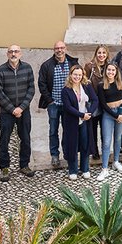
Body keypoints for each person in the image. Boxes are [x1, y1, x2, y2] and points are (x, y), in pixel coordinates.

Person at [0, 45, 35, 182]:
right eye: (11, 51)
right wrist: (12, 109)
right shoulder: (0, 71)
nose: (13, 54)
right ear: (7, 54)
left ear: (20, 54)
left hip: (24, 111)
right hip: (7, 112)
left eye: (16, 51)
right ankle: (4, 167)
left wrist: (21, 108)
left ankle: (24, 165)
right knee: (4, 139)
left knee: (25, 138)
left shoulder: (27, 68)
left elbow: (31, 90)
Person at [37, 40, 79, 168]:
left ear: (65, 49)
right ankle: (54, 155)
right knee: (53, 130)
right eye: (57, 48)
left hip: (69, 105)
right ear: (54, 50)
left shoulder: (73, 63)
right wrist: (49, 100)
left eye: (61, 48)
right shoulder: (47, 65)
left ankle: (67, 154)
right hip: (54, 103)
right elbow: (42, 84)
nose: (59, 50)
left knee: (68, 130)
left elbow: (79, 80)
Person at [61, 65, 97, 180]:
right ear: (71, 75)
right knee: (73, 145)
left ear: (83, 75)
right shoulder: (66, 90)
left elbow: (95, 100)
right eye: (75, 74)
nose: (77, 77)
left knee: (85, 144)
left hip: (86, 120)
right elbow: (68, 107)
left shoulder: (87, 86)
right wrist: (82, 115)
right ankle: (73, 170)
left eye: (80, 75)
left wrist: (89, 113)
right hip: (72, 122)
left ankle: (85, 168)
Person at [96, 63, 122, 181]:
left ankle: (116, 161)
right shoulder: (101, 85)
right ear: (105, 71)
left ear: (116, 71)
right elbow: (103, 104)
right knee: (107, 141)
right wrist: (115, 116)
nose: (110, 72)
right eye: (109, 70)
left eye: (113, 70)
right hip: (108, 115)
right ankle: (104, 168)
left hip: (121, 112)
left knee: (118, 138)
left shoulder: (120, 82)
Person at [83, 44, 110, 160]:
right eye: (99, 53)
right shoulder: (90, 67)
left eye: (104, 53)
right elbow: (85, 83)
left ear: (107, 54)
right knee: (93, 128)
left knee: (105, 128)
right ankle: (94, 151)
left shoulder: (110, 66)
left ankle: (105, 150)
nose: (101, 55)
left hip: (106, 102)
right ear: (96, 54)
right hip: (93, 102)